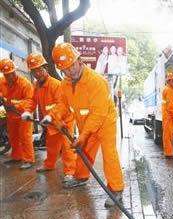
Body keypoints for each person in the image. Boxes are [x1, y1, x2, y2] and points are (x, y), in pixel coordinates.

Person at [42, 43, 124, 207]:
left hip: (105, 121)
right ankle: (81, 177)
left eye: (72, 65)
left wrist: (84, 135)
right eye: (65, 69)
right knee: (84, 151)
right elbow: (63, 105)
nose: (70, 71)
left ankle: (116, 189)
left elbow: (98, 114)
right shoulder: (65, 84)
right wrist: (53, 116)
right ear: (61, 70)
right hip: (86, 123)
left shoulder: (96, 81)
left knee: (109, 154)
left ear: (79, 60)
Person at [25, 53, 76, 184]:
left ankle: (70, 172)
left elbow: (62, 104)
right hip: (51, 122)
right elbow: (32, 100)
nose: (38, 73)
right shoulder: (36, 86)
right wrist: (27, 111)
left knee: (67, 148)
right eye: (34, 71)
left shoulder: (55, 84)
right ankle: (49, 165)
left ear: (45, 68)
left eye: (39, 70)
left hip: (64, 121)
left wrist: (50, 115)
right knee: (51, 145)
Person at [0, 58, 35, 169]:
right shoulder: (2, 82)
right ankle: (16, 157)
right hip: (11, 115)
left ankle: (29, 159)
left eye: (11, 73)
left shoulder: (25, 84)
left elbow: (30, 100)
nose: (9, 76)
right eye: (6, 74)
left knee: (25, 136)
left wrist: (15, 105)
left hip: (24, 115)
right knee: (13, 136)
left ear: (15, 71)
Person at [161, 72, 173, 158]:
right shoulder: (169, 90)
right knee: (168, 136)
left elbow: (171, 101)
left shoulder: (169, 89)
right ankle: (169, 154)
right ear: (169, 81)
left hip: (168, 116)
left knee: (169, 135)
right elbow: (171, 106)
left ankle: (169, 152)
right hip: (169, 116)